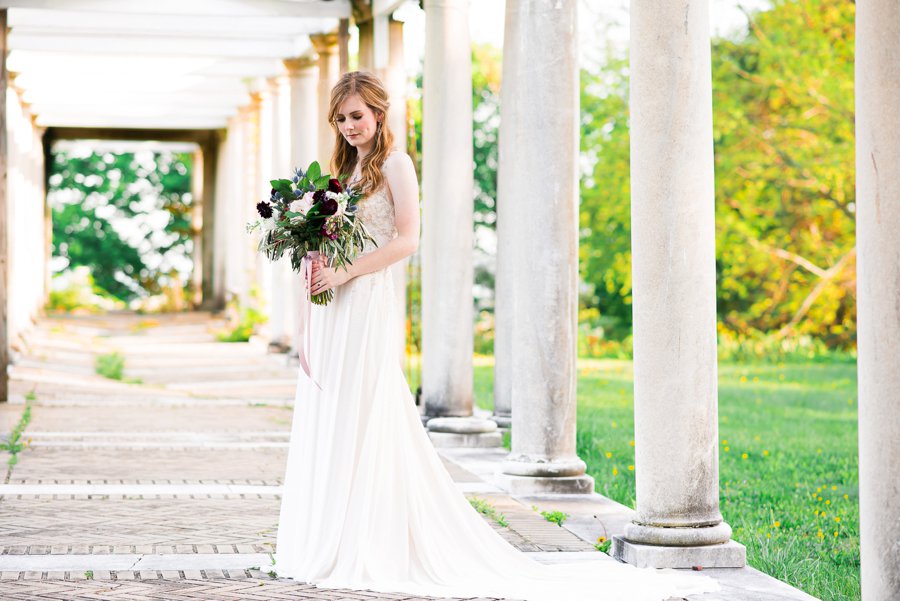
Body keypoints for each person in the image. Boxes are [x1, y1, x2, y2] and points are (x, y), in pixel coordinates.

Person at [273, 71, 719, 601]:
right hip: (331, 305)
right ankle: (329, 533)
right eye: (342, 118)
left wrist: (348, 273)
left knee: (366, 413)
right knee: (333, 414)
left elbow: (408, 239)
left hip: (365, 299)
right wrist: (308, 313)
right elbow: (319, 245)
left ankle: (369, 537)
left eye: (358, 116)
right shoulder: (337, 172)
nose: (350, 126)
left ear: (378, 114)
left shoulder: (396, 164)